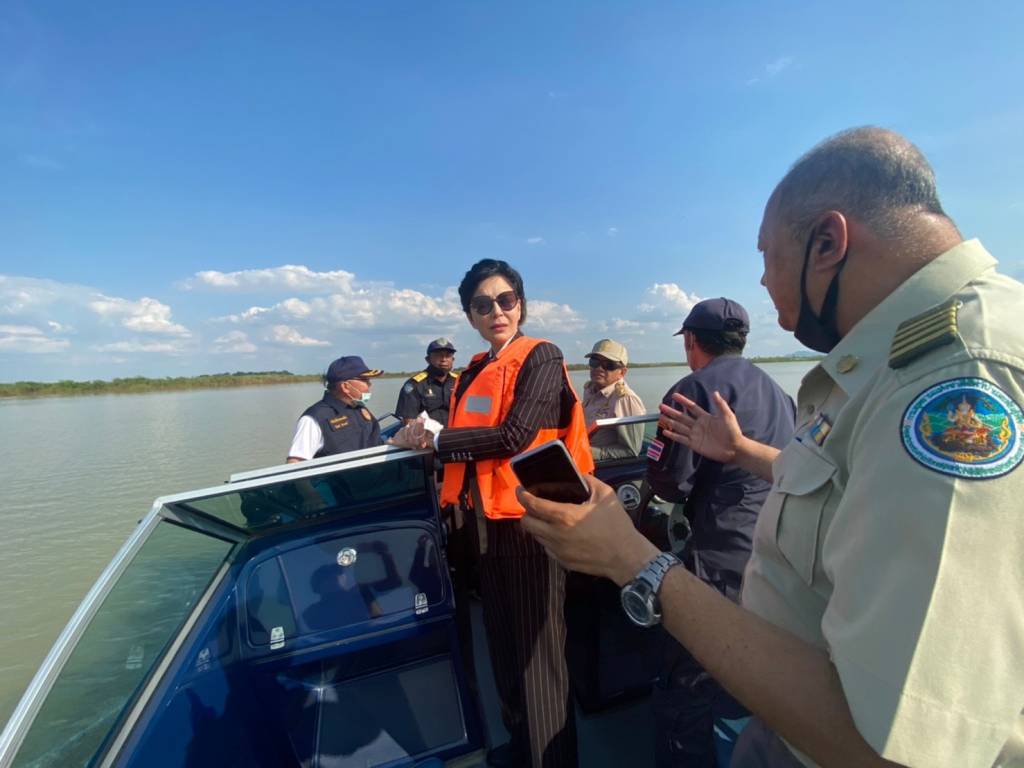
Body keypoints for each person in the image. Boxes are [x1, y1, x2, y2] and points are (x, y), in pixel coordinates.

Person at [516, 127, 1024, 767]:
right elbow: (855, 492)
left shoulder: (956, 381)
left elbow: (894, 748)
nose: (762, 279)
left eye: (767, 255)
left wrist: (630, 559)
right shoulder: (889, 361)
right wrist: (742, 451)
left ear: (828, 242)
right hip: (780, 713)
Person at [391, 259, 593, 768]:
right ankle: (521, 749)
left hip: (530, 527)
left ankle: (551, 760)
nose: (496, 311)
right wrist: (420, 434)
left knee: (537, 661)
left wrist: (439, 439)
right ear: (470, 316)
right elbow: (461, 438)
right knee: (502, 649)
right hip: (481, 529)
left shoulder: (541, 356)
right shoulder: (477, 368)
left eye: (506, 300)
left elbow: (515, 435)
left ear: (520, 305)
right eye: (483, 305)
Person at [645, 298, 794, 767]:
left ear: (691, 341)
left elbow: (669, 481)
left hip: (716, 557)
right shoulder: (779, 392)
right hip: (773, 553)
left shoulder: (689, 392)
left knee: (689, 677)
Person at [286, 355, 384, 462]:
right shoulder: (315, 418)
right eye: (365, 380)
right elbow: (295, 462)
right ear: (345, 387)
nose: (370, 384)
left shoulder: (358, 408)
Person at [581, 338, 646, 460]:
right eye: (594, 362)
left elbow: (631, 450)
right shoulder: (589, 389)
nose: (599, 368)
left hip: (598, 464)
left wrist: (585, 452)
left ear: (622, 372)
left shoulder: (626, 400)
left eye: (608, 365)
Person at [395, 338, 459, 426]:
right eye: (438, 355)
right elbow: (408, 422)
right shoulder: (414, 385)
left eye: (448, 355)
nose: (444, 359)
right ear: (428, 359)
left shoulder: (460, 382)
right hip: (426, 433)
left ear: (453, 359)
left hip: (457, 432)